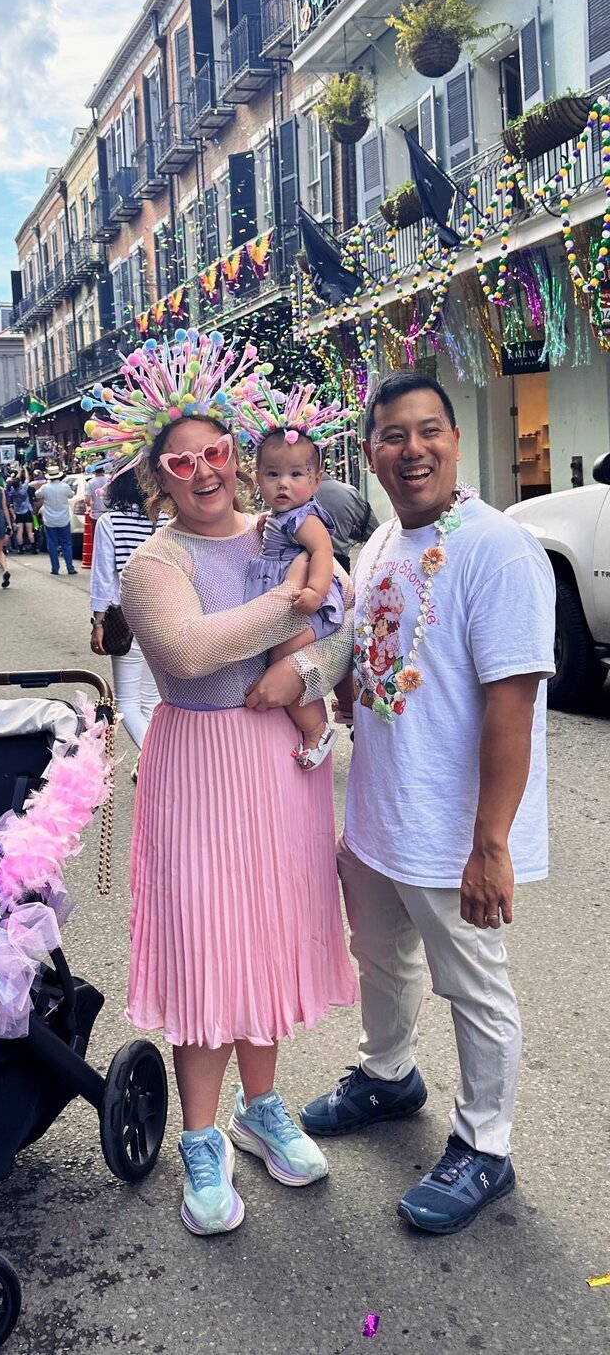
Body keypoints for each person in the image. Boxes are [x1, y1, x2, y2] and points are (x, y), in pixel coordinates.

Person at [83, 331, 357, 1238]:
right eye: (181, 461)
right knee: (207, 943)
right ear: (157, 474)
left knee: (267, 932)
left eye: (217, 452)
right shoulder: (152, 563)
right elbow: (188, 651)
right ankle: (201, 1136)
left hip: (280, 764)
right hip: (198, 764)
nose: (204, 472)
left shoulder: (282, 528)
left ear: (239, 453)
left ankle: (263, 1104)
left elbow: (343, 627)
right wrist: (295, 600)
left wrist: (307, 675)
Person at [300, 370, 556, 1236]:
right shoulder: (376, 548)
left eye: (429, 431)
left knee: (474, 984)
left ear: (454, 438)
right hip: (377, 813)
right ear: (369, 451)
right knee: (382, 955)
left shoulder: (497, 548)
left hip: (452, 826)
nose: (412, 449)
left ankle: (485, 1146)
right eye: (392, 435)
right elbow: (375, 656)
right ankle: (388, 1074)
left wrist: (492, 842)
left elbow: (512, 704)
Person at [242, 403, 348, 770]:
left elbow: (322, 552)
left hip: (311, 607)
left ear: (315, 480)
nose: (283, 483)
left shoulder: (304, 518)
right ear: (257, 478)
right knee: (278, 658)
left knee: (281, 663)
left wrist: (316, 591)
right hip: (292, 604)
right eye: (272, 474)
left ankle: (317, 729)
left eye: (295, 474)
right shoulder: (279, 517)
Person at [89, 467, 159, 780]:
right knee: (153, 700)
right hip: (165, 617)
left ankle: (159, 761)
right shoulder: (167, 520)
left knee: (127, 703)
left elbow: (104, 577)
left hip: (128, 618)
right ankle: (147, 761)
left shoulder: (111, 522)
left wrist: (98, 621)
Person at [315, 474, 379, 572]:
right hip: (338, 567)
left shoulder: (291, 494)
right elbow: (373, 532)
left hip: (295, 568)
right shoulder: (349, 493)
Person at [35, 472, 76, 576]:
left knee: (52, 544)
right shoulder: (65, 486)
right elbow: (71, 494)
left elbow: (37, 494)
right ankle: (70, 568)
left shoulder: (45, 488)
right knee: (66, 544)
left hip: (50, 520)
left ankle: (55, 568)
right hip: (64, 519)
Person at [7, 469, 35, 553]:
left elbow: (16, 480)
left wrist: (19, 471)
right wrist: (25, 469)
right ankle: (33, 548)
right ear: (19, 483)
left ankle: (20, 548)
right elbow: (27, 479)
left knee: (20, 531)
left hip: (18, 512)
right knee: (29, 531)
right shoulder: (23, 489)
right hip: (26, 511)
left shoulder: (12, 491)